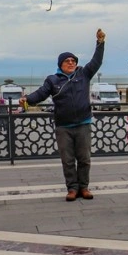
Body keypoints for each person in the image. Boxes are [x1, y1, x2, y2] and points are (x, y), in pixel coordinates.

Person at [20, 29, 105, 201]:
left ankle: (84, 187)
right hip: (63, 126)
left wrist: (100, 43)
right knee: (67, 160)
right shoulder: (53, 80)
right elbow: (41, 93)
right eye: (67, 61)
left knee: (84, 159)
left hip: (83, 123)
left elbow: (97, 61)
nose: (71, 62)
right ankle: (72, 189)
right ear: (60, 64)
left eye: (73, 60)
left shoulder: (84, 73)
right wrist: (27, 99)